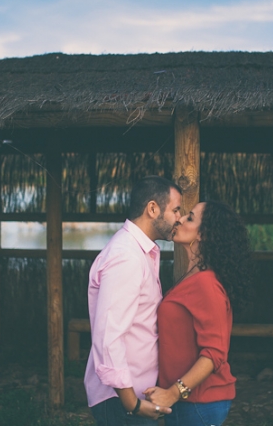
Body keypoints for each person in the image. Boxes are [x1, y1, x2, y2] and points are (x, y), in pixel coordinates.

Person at [85, 176, 183, 425]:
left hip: (132, 396)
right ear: (152, 209)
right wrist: (133, 404)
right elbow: (109, 336)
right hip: (121, 401)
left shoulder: (140, 252)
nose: (179, 218)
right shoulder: (126, 257)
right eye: (175, 210)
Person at [144, 200, 252, 426]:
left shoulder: (206, 284)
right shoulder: (195, 276)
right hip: (189, 402)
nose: (180, 219)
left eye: (190, 217)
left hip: (199, 403)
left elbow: (214, 353)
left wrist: (172, 393)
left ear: (204, 234)